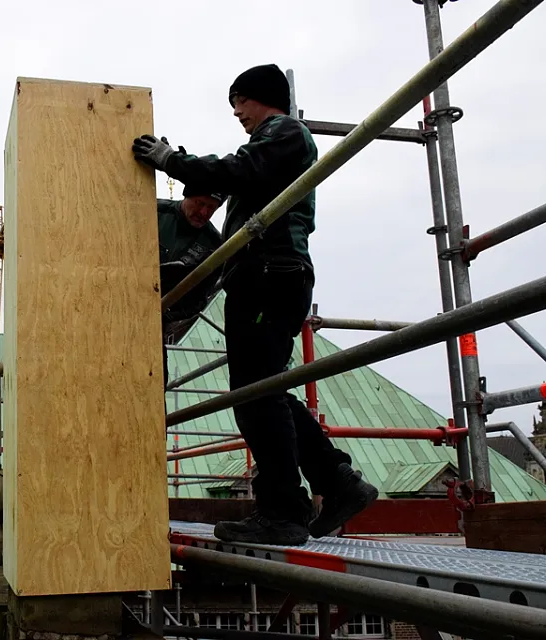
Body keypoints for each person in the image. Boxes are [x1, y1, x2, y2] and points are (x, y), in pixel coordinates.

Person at [132, 64, 378, 545]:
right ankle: (336, 481)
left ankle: (283, 512)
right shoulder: (274, 146)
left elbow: (237, 169)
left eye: (239, 102)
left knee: (255, 396)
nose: (237, 113)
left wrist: (172, 161)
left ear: (259, 97)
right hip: (268, 276)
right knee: (265, 390)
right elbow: (238, 174)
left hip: (269, 275)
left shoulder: (284, 132)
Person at [157, 185, 225, 388]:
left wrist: (166, 314)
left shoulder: (214, 245)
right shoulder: (154, 212)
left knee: (155, 384)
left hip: (155, 324)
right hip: (115, 307)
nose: (204, 212)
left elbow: (199, 300)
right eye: (200, 203)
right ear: (187, 195)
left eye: (211, 208)